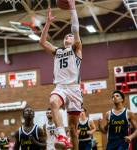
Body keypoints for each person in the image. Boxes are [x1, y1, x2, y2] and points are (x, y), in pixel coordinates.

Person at [39, 0, 82, 149]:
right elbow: (42, 42)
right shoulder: (57, 51)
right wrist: (48, 23)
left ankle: (70, 141)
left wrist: (72, 8)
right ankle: (62, 136)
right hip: (61, 87)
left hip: (74, 89)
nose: (67, 37)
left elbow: (75, 28)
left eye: (70, 36)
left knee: (74, 129)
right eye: (66, 36)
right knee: (52, 102)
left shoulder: (76, 49)